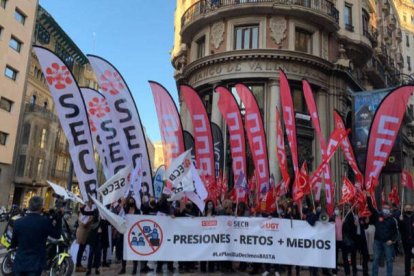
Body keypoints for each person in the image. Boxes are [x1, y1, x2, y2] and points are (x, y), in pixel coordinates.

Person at [10, 196, 62, 276]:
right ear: (41, 207)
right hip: (36, 264)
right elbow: (57, 235)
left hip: (20, 262)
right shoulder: (45, 222)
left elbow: (13, 244)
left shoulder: (18, 222)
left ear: (29, 205)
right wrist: (59, 219)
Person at [367, 193, 399, 276]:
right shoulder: (378, 215)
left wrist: (392, 240)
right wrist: (368, 197)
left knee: (389, 260)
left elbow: (396, 233)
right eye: (384, 208)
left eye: (387, 208)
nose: (385, 210)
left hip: (387, 243)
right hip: (377, 241)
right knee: (376, 259)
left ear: (390, 209)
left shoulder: (392, 220)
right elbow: (371, 207)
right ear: (382, 208)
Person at [76, 201, 96, 272]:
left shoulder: (88, 209)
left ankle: (79, 265)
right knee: (81, 248)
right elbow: (84, 222)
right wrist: (90, 220)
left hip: (85, 231)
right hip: (83, 231)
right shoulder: (85, 210)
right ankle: (78, 265)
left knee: (82, 248)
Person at [399, 204, 414, 276]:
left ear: (412, 209)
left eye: (409, 208)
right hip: (406, 242)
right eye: (406, 208)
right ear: (404, 209)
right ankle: (407, 273)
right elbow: (400, 230)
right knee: (407, 259)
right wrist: (400, 221)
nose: (408, 210)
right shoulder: (402, 218)